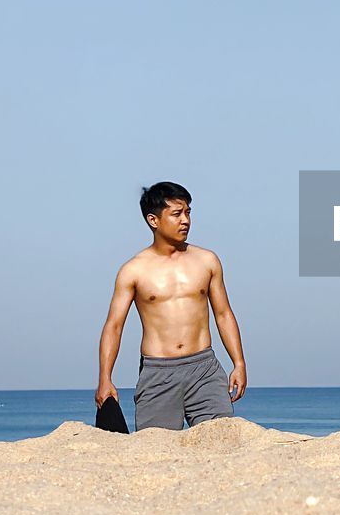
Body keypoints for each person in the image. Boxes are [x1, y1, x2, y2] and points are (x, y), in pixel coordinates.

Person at [94, 181, 248, 430]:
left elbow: (223, 314)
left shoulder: (207, 261)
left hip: (204, 369)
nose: (185, 220)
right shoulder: (134, 270)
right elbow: (114, 326)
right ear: (153, 220)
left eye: (188, 212)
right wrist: (105, 378)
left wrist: (238, 363)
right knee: (155, 451)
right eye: (176, 214)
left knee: (221, 442)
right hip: (158, 373)